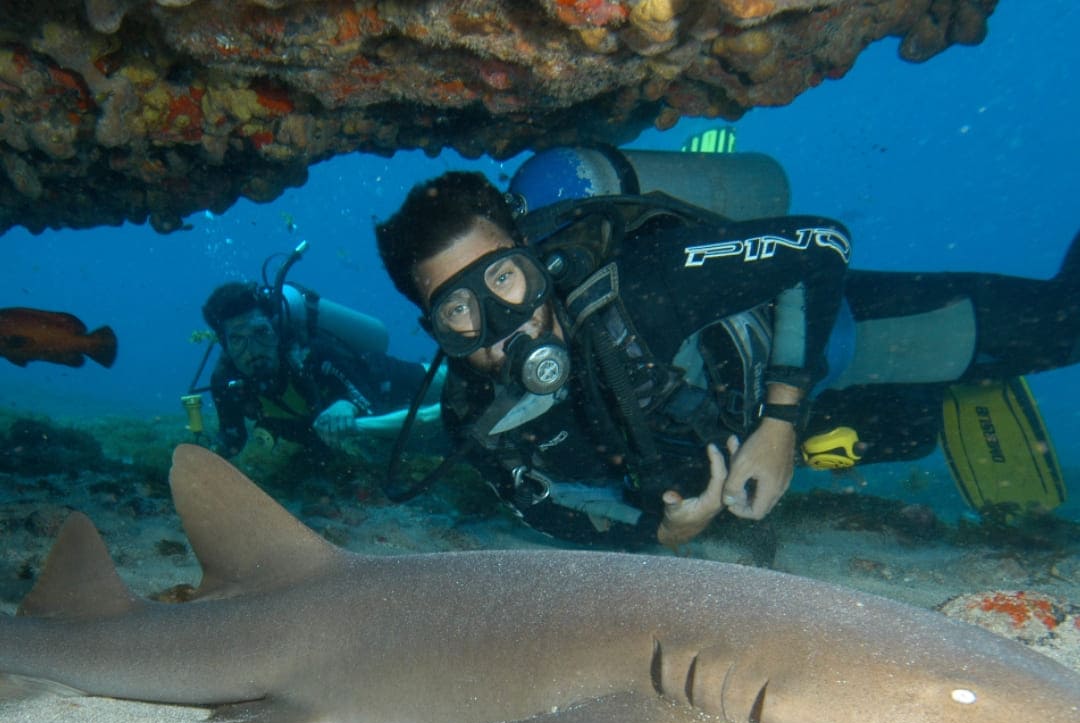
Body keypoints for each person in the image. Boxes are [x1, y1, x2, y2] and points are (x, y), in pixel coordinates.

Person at [375, 165, 1080, 548]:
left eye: (504, 280)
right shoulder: (474, 416)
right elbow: (556, 520)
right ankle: (932, 407)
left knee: (1064, 325)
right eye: (460, 311)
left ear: (537, 261)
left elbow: (822, 245)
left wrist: (780, 422)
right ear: (434, 327)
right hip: (799, 429)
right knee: (904, 431)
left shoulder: (647, 286)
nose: (502, 324)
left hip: (840, 337)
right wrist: (667, 533)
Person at [201, 280, 427, 459]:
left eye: (261, 333)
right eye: (238, 340)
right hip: (322, 443)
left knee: (447, 381)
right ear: (225, 345)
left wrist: (346, 404)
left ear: (275, 329)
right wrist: (209, 454)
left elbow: (370, 398)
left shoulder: (309, 351)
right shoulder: (225, 382)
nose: (253, 350)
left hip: (383, 376)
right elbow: (232, 438)